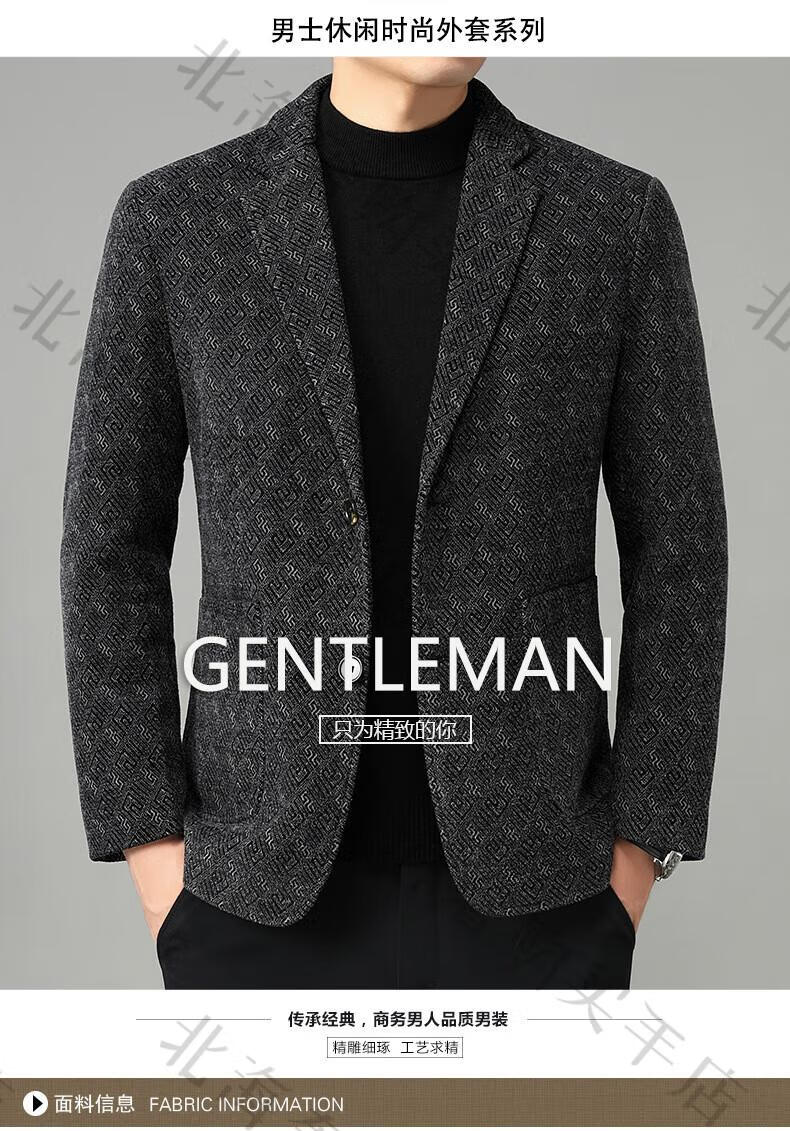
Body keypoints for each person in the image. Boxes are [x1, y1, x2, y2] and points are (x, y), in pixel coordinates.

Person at [61, 57, 727, 989]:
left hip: (546, 889)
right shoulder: (178, 219)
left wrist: (642, 848)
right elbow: (109, 546)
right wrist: (151, 852)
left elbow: (681, 550)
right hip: (251, 888)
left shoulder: (613, 217)